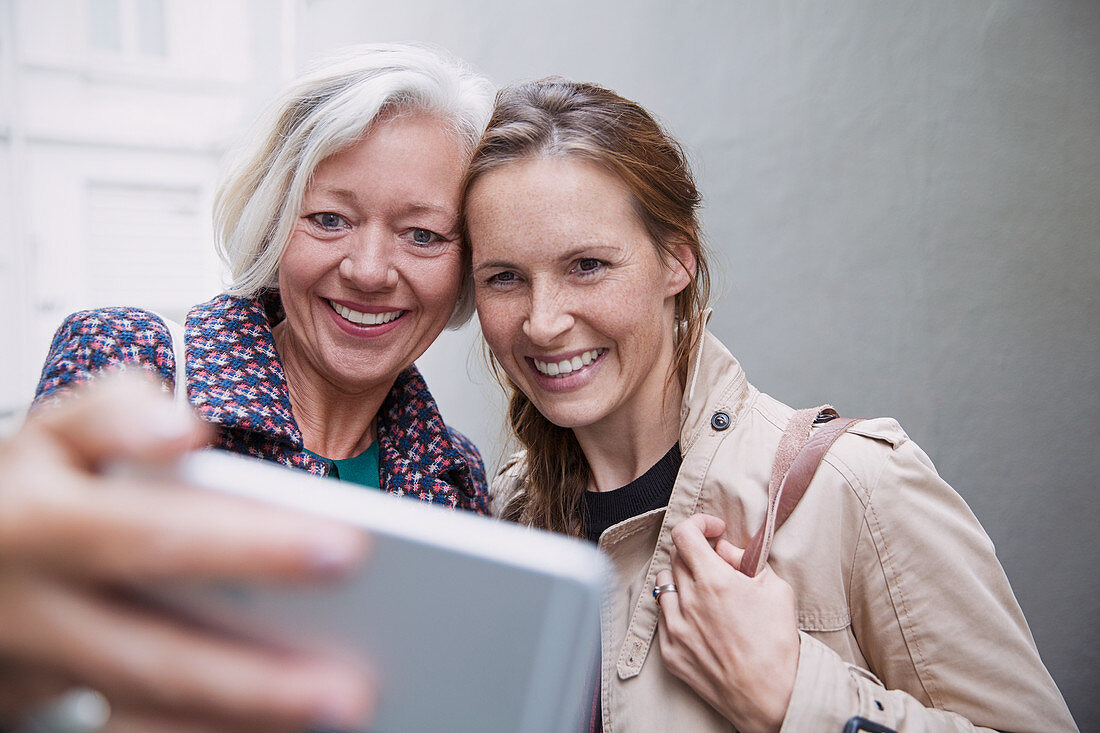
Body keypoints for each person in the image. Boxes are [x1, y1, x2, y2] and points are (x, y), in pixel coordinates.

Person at [465, 78, 1078, 732]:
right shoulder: (502, 522)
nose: (543, 321)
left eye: (587, 264)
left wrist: (791, 697)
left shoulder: (855, 489)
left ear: (677, 260)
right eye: (505, 277)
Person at [0, 42, 494, 731]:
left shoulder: (459, 477)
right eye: (330, 218)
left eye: (423, 234)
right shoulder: (135, 365)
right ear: (272, 216)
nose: (371, 269)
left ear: (467, 265)